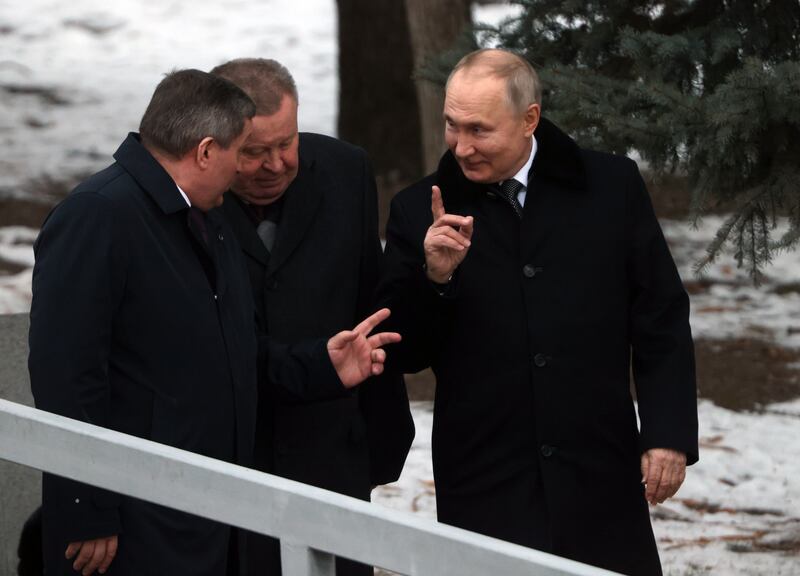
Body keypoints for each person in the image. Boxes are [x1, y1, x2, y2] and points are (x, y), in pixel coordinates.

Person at [28, 69, 400, 576]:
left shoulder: (202, 216)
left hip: (206, 515)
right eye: (242, 152)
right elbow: (67, 377)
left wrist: (321, 364)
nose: (252, 172)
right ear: (205, 151)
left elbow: (230, 353)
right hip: (137, 522)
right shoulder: (98, 215)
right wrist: (86, 508)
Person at [377, 48, 698, 575]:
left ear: (530, 120)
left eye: (480, 129)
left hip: (598, 462)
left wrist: (667, 432)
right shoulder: (419, 210)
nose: (461, 147)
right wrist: (435, 277)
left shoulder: (611, 187)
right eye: (452, 126)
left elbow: (659, 315)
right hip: (485, 471)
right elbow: (406, 351)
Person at [210, 58, 414, 576]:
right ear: (215, 145)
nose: (276, 164)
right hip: (231, 462)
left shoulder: (347, 170)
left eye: (287, 143)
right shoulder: (190, 198)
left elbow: (370, 301)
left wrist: (381, 440)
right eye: (254, 152)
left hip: (332, 457)